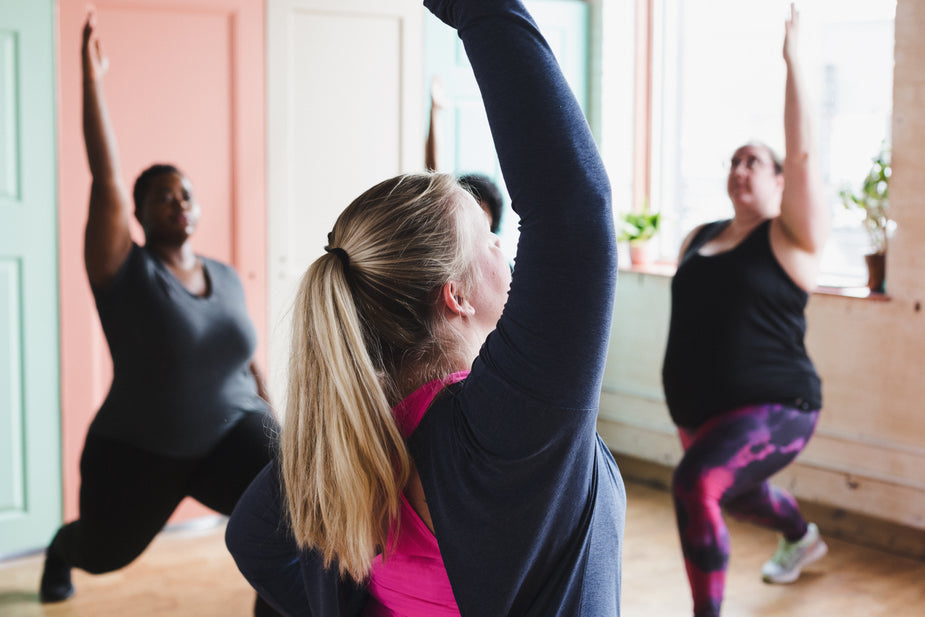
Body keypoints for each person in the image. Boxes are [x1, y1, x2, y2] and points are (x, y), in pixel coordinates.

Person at [225, 0, 625, 615]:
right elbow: (572, 213)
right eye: (489, 236)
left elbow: (252, 539)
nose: (504, 246)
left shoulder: (352, 428)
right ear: (455, 295)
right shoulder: (509, 430)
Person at [39, 11, 280, 616]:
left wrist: (273, 416)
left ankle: (275, 605)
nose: (178, 203)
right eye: (161, 197)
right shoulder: (124, 272)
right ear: (139, 215)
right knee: (102, 554)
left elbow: (247, 357)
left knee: (299, 501)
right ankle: (60, 553)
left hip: (231, 432)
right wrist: (92, 82)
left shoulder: (225, 276)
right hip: (140, 448)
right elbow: (107, 178)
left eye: (186, 195)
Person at [661, 6, 830, 617]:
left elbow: (805, 151)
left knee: (695, 484)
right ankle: (802, 539)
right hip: (701, 415)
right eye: (734, 160)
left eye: (753, 161)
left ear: (783, 183)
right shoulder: (699, 236)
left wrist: (795, 63)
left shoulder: (791, 239)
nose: (739, 169)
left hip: (778, 405)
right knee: (742, 494)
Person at [425, 75, 504, 234]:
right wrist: (435, 112)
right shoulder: (448, 241)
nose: (471, 223)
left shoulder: (498, 254)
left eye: (481, 219)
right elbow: (433, 174)